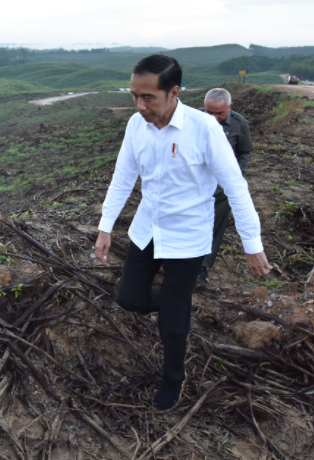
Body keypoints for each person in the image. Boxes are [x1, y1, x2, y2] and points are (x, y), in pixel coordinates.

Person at [94, 55, 272, 411]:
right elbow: (124, 176)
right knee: (128, 297)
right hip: (148, 229)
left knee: (173, 325)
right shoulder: (135, 125)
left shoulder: (204, 129)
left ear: (173, 93)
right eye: (135, 96)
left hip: (188, 237)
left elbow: (235, 187)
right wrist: (105, 227)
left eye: (148, 98)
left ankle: (174, 377)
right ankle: (178, 302)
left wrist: (253, 245)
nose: (140, 105)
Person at [200, 88, 254, 284]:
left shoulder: (240, 125)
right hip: (196, 184)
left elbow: (244, 152)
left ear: (230, 107)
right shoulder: (195, 120)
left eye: (220, 113)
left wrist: (234, 179)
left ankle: (203, 266)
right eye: (209, 112)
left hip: (221, 189)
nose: (213, 118)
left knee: (215, 226)